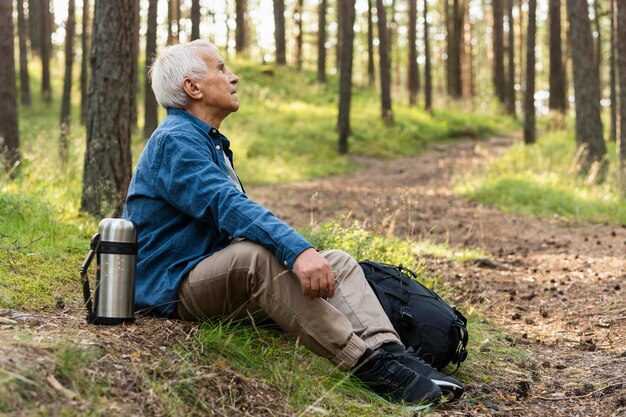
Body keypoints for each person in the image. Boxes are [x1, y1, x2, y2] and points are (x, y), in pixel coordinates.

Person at [123, 40, 464, 405]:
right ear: (192, 88)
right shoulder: (175, 141)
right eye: (221, 69)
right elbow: (227, 206)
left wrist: (305, 253)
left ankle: (391, 353)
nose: (233, 77)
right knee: (255, 257)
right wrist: (297, 250)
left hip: (200, 268)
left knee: (340, 264)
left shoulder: (205, 140)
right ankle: (368, 365)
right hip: (170, 283)